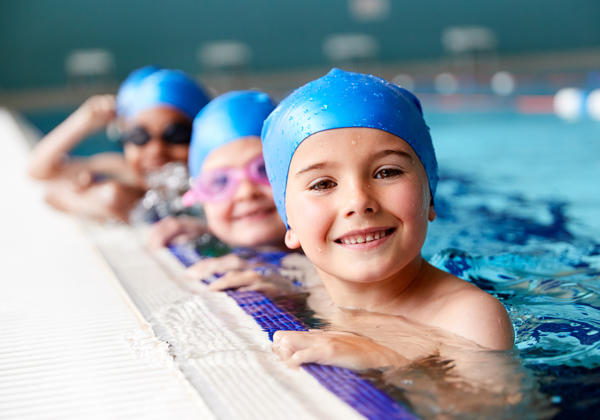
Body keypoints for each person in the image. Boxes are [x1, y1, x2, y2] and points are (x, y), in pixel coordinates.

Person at [260, 68, 515, 370]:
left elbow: (495, 410)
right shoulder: (312, 285)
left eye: (387, 172)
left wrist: (385, 359)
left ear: (429, 197)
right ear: (289, 224)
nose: (359, 201)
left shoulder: (471, 319)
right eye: (323, 184)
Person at [148, 91, 292, 295]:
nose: (246, 192)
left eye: (265, 170)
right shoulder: (207, 242)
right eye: (219, 181)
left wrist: (299, 283)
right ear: (199, 197)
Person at [28, 67, 210, 222]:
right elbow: (39, 170)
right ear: (124, 138)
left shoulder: (210, 185)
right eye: (139, 136)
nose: (156, 150)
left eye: (176, 135)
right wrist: (85, 120)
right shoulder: (121, 169)